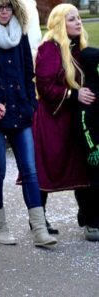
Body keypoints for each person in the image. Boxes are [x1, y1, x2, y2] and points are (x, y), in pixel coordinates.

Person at [0, 0, 57, 247]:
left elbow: (29, 73)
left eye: (8, 6)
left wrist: (31, 103)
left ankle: (39, 229)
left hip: (21, 110)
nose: (4, 11)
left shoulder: (22, 31)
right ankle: (0, 227)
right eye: (0, 7)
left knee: (30, 169)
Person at [32, 3, 98, 242]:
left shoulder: (80, 49)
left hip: (76, 120)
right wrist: (73, 94)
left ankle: (89, 217)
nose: (78, 22)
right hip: (53, 120)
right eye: (72, 19)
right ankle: (38, 220)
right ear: (60, 23)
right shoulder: (49, 49)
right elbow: (45, 86)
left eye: (79, 18)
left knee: (83, 167)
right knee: (46, 168)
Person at [78, 46, 99, 241]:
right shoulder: (89, 94)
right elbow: (85, 122)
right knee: (93, 184)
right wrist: (93, 147)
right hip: (93, 147)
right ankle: (91, 220)